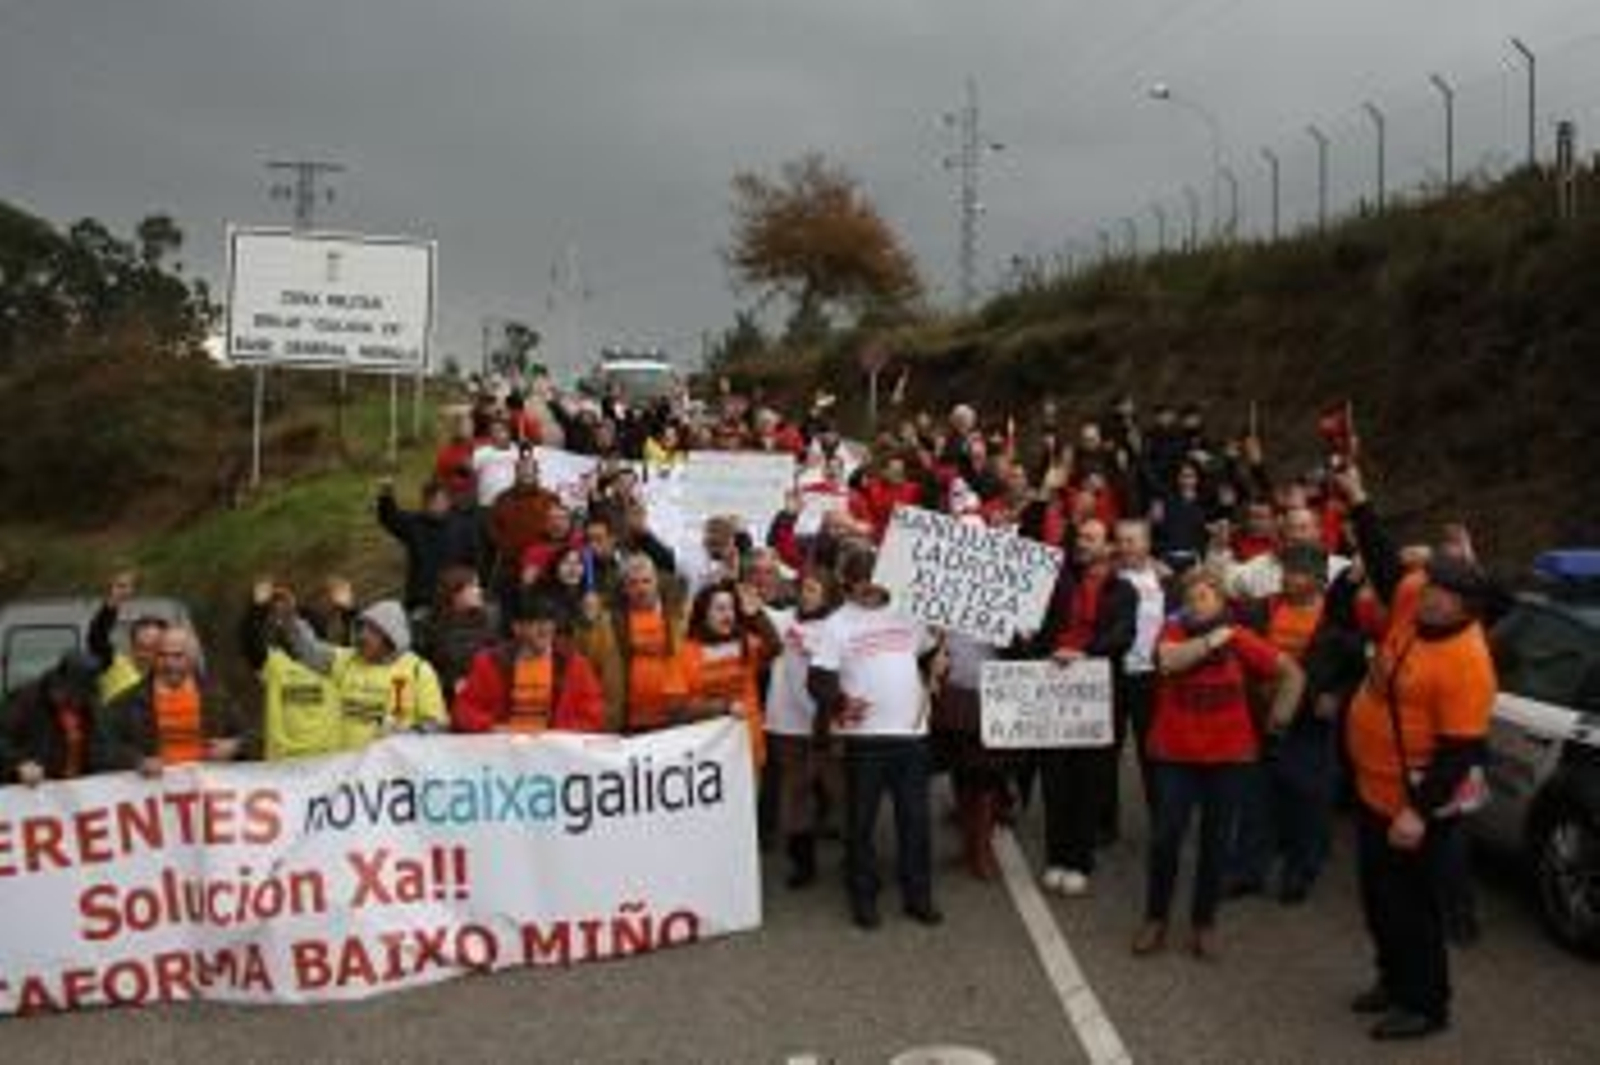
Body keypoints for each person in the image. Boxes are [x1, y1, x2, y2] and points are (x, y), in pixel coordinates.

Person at [1336, 464, 1495, 1041]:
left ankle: (1426, 1004)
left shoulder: (1468, 664)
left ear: (1465, 607)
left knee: (1414, 908)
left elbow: (1461, 752)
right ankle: (1393, 979)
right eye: (1426, 587)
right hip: (1373, 789)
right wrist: (1358, 502)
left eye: (1439, 593)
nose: (1424, 596)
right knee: (1379, 900)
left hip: (1414, 803)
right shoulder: (1414, 602)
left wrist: (1417, 812)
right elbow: (1383, 564)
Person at [1133, 567, 1304, 960]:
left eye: (1205, 596)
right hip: (1175, 754)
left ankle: (1204, 923)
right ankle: (1155, 918)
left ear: (1221, 601)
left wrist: (1279, 719)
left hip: (1229, 757)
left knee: (1216, 843)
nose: (1196, 602)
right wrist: (1212, 640)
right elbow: (1169, 663)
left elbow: (1292, 672)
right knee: (1166, 839)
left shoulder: (1240, 639)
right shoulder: (1173, 631)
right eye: (1190, 597)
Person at [808, 546, 942, 930]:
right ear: (848, 585)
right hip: (864, 740)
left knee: (915, 821)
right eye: (859, 587)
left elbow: (929, 654)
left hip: (911, 736)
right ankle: (863, 895)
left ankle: (919, 895)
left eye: (874, 586)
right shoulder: (838, 623)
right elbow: (817, 679)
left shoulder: (908, 613)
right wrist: (838, 701)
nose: (867, 594)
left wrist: (937, 661)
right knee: (861, 823)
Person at [1039, 519, 1137, 896]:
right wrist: (1041, 645)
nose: (1083, 543)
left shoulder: (1123, 590)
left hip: (1095, 691)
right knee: (1055, 779)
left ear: (1108, 546)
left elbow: (1122, 636)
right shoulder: (1059, 581)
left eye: (1092, 538)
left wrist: (1082, 653)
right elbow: (1044, 625)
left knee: (1087, 779)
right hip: (1052, 686)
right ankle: (1055, 857)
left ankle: (1079, 860)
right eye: (1080, 536)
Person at [764, 569, 842, 888]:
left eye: (813, 589)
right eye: (804, 588)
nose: (806, 594)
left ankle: (855, 851)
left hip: (827, 724)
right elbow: (757, 615)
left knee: (838, 788)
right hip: (787, 722)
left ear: (827, 594)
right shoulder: (785, 620)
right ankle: (803, 863)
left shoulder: (838, 627)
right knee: (797, 794)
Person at [286, 599, 448, 749]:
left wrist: (404, 736)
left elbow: (436, 725)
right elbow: (309, 651)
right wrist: (290, 618)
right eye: (361, 628)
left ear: (390, 636)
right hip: (348, 769)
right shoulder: (347, 660)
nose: (362, 635)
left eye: (372, 631)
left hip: (392, 772)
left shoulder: (418, 670)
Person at [452, 592, 606, 734]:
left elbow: (594, 715)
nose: (545, 629)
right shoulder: (490, 662)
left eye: (549, 621)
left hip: (555, 755)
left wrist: (553, 735)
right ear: (517, 628)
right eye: (535, 622)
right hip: (505, 753)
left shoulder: (575, 664)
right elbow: (463, 712)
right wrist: (495, 727)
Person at [102, 626, 244, 774]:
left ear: (192, 658)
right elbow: (104, 748)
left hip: (207, 789)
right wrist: (137, 761)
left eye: (177, 656)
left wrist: (235, 746)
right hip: (151, 791)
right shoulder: (128, 701)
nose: (169, 663)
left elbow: (249, 735)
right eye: (162, 655)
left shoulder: (217, 697)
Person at [241, 579, 344, 761]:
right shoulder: (276, 663)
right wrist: (257, 608)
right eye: (291, 628)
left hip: (326, 764)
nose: (291, 631)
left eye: (298, 629)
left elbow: (360, 651)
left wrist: (347, 611)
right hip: (283, 765)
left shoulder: (334, 664)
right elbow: (250, 643)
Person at [681, 581, 781, 764]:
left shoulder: (744, 642)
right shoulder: (686, 652)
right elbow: (681, 709)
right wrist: (724, 707)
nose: (727, 615)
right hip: (708, 752)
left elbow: (774, 647)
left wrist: (757, 615)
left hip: (748, 747)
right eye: (719, 609)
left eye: (731, 608)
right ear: (703, 613)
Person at [531, 545, 627, 731]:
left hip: (588, 695)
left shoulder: (595, 606)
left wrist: (591, 621)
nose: (573, 568)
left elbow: (608, 663)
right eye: (567, 562)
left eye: (578, 563)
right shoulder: (539, 604)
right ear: (555, 567)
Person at [1113, 519, 1166, 822]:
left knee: (1153, 755)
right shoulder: (1109, 578)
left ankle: (1161, 819)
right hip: (1114, 675)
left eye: (1132, 540)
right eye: (1120, 540)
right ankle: (1106, 823)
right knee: (1106, 754)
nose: (1125, 547)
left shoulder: (1166, 580)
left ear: (1147, 544)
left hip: (1150, 678)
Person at [609, 556, 692, 734]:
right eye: (633, 583)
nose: (641, 589)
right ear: (624, 589)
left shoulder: (678, 613)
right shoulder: (613, 621)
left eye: (646, 581)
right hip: (633, 719)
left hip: (676, 715)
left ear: (657, 582)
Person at [377, 478, 481, 616]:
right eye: (433, 501)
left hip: (453, 597)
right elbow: (390, 518)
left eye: (442, 500)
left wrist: (472, 582)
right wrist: (386, 495)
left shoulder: (461, 525)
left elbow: (472, 557)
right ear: (425, 503)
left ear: (449, 501)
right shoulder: (413, 523)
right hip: (421, 597)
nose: (438, 505)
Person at [1, 651, 105, 783]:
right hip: (33, 790)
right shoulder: (27, 700)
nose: (79, 702)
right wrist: (19, 763)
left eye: (85, 696)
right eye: (76, 695)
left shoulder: (89, 707)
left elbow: (102, 746)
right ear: (62, 685)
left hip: (76, 790)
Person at [416, 566, 500, 699]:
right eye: (472, 587)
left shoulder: (490, 620)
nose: (479, 591)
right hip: (444, 696)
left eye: (478, 586)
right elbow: (424, 669)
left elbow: (498, 660)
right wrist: (451, 684)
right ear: (455, 593)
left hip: (484, 693)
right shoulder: (431, 627)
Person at [85, 571, 167, 704]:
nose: (146, 654)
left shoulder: (172, 678)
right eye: (141, 647)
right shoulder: (115, 668)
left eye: (154, 648)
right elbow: (97, 637)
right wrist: (113, 601)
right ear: (133, 646)